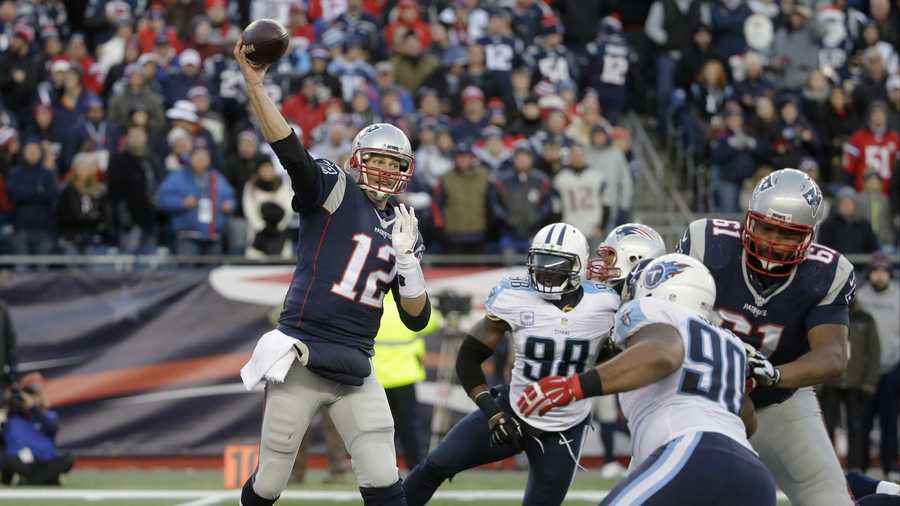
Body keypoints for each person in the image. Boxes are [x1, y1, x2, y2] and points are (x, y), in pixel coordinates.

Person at [233, 37, 432, 506]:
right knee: (270, 482)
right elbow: (288, 148)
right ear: (359, 160)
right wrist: (255, 84)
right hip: (302, 354)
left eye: (393, 164)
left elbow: (417, 318)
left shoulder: (404, 225)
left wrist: (408, 262)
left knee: (385, 481)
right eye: (377, 161)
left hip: (356, 366)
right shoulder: (334, 188)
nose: (384, 171)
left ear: (406, 170)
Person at [518, 253, 775, 505]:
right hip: (754, 476)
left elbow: (663, 354)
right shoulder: (729, 342)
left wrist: (575, 386)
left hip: (692, 450)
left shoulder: (653, 309)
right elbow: (746, 417)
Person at [404, 223, 620, 506]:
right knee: (433, 466)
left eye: (555, 265)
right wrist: (493, 413)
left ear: (576, 267)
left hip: (565, 429)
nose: (545, 271)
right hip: (511, 410)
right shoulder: (515, 296)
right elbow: (468, 359)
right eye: (540, 262)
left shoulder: (605, 303)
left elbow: (620, 358)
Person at [676, 168, 857, 505]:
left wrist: (775, 375)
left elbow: (833, 357)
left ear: (809, 235)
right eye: (766, 227)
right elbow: (669, 317)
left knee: (830, 499)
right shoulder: (707, 242)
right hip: (698, 400)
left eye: (787, 234)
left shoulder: (827, 272)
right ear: (749, 219)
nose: (773, 240)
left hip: (778, 402)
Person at [373, 291, 442, 470]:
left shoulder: (372, 303)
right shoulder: (406, 302)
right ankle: (416, 466)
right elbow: (432, 321)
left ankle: (380, 468)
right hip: (404, 375)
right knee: (409, 427)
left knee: (378, 429)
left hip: (377, 377)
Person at [817, 298, 880, 472]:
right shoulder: (824, 314)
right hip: (830, 379)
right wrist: (817, 380)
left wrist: (870, 380)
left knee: (856, 426)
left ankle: (855, 467)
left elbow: (874, 350)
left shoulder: (865, 318)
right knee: (827, 426)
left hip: (856, 381)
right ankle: (827, 466)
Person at [857, 256, 900, 480]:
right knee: (861, 422)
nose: (879, 275)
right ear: (870, 273)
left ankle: (890, 465)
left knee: (889, 421)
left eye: (884, 271)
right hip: (865, 370)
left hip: (892, 368)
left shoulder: (898, 296)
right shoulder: (860, 297)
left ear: (890, 274)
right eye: (876, 271)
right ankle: (861, 466)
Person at [3, 373, 75, 485]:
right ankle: (46, 479)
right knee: (7, 458)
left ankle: (30, 481)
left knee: (69, 458)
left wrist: (33, 407)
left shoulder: (49, 416)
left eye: (35, 394)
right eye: (29, 394)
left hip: (46, 462)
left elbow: (52, 427)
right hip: (26, 465)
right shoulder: (13, 420)